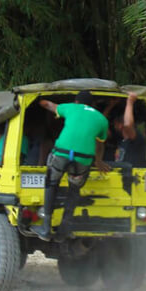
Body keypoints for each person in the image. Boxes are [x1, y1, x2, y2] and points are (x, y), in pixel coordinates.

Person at [34, 91, 109, 241]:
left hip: (61, 154)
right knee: (74, 191)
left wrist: (39, 101)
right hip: (83, 159)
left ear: (77, 101)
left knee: (52, 184)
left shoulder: (71, 108)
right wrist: (98, 161)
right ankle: (64, 230)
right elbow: (100, 145)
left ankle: (46, 227)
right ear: (92, 104)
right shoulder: (102, 119)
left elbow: (48, 105)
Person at [106, 91, 146, 165]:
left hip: (132, 175)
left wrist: (130, 102)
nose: (114, 126)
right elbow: (101, 124)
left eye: (115, 124)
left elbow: (128, 124)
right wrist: (110, 106)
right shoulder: (120, 140)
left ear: (120, 125)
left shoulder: (136, 139)